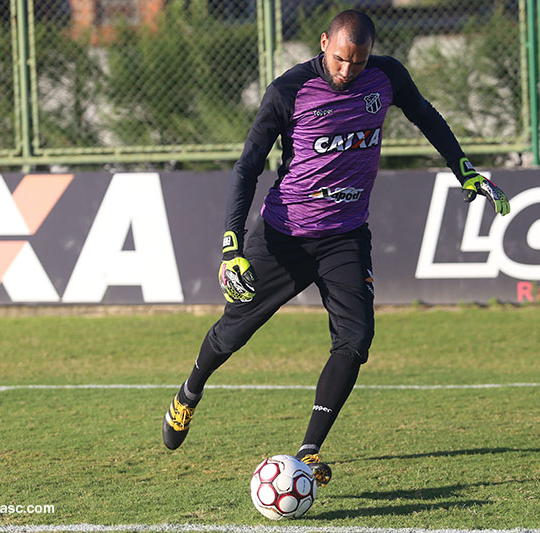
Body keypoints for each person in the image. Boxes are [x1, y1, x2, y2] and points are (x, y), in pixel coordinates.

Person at [162, 9, 510, 486]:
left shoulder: (386, 76)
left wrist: (464, 168)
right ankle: (189, 392)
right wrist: (231, 245)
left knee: (356, 339)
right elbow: (246, 168)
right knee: (234, 332)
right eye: (342, 59)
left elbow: (426, 116)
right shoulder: (288, 91)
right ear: (324, 43)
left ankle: (308, 451)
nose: (348, 71)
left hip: (345, 236)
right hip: (284, 236)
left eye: (358, 63)